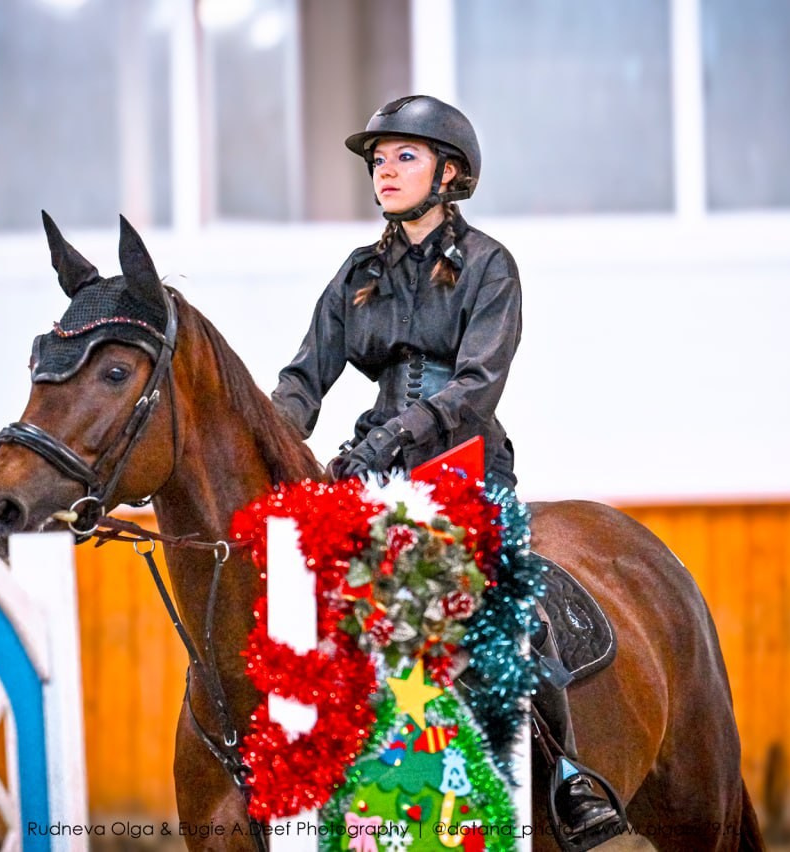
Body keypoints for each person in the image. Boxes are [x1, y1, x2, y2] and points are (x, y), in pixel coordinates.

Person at [270, 95, 621, 845]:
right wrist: (270, 437)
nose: (385, 170)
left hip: (465, 465)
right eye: (378, 159)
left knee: (508, 617)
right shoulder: (358, 273)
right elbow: (304, 376)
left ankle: (568, 778)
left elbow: (476, 385)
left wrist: (393, 439)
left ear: (450, 173)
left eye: (405, 156)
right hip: (376, 471)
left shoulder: (490, 266)